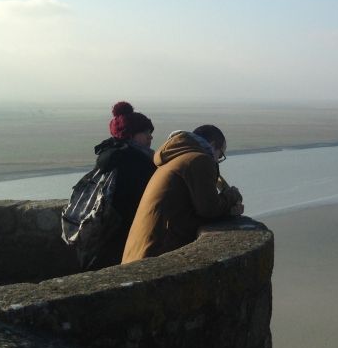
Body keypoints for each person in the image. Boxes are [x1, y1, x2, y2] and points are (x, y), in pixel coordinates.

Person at [121, 124, 244, 263]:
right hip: (156, 255)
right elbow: (210, 208)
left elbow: (189, 211)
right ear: (213, 144)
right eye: (220, 154)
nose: (217, 160)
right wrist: (233, 195)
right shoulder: (199, 159)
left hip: (142, 252)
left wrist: (227, 210)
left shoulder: (176, 157)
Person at [85, 101, 156, 269]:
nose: (150, 137)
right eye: (145, 132)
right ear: (130, 135)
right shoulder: (134, 161)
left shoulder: (110, 155)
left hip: (107, 230)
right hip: (127, 229)